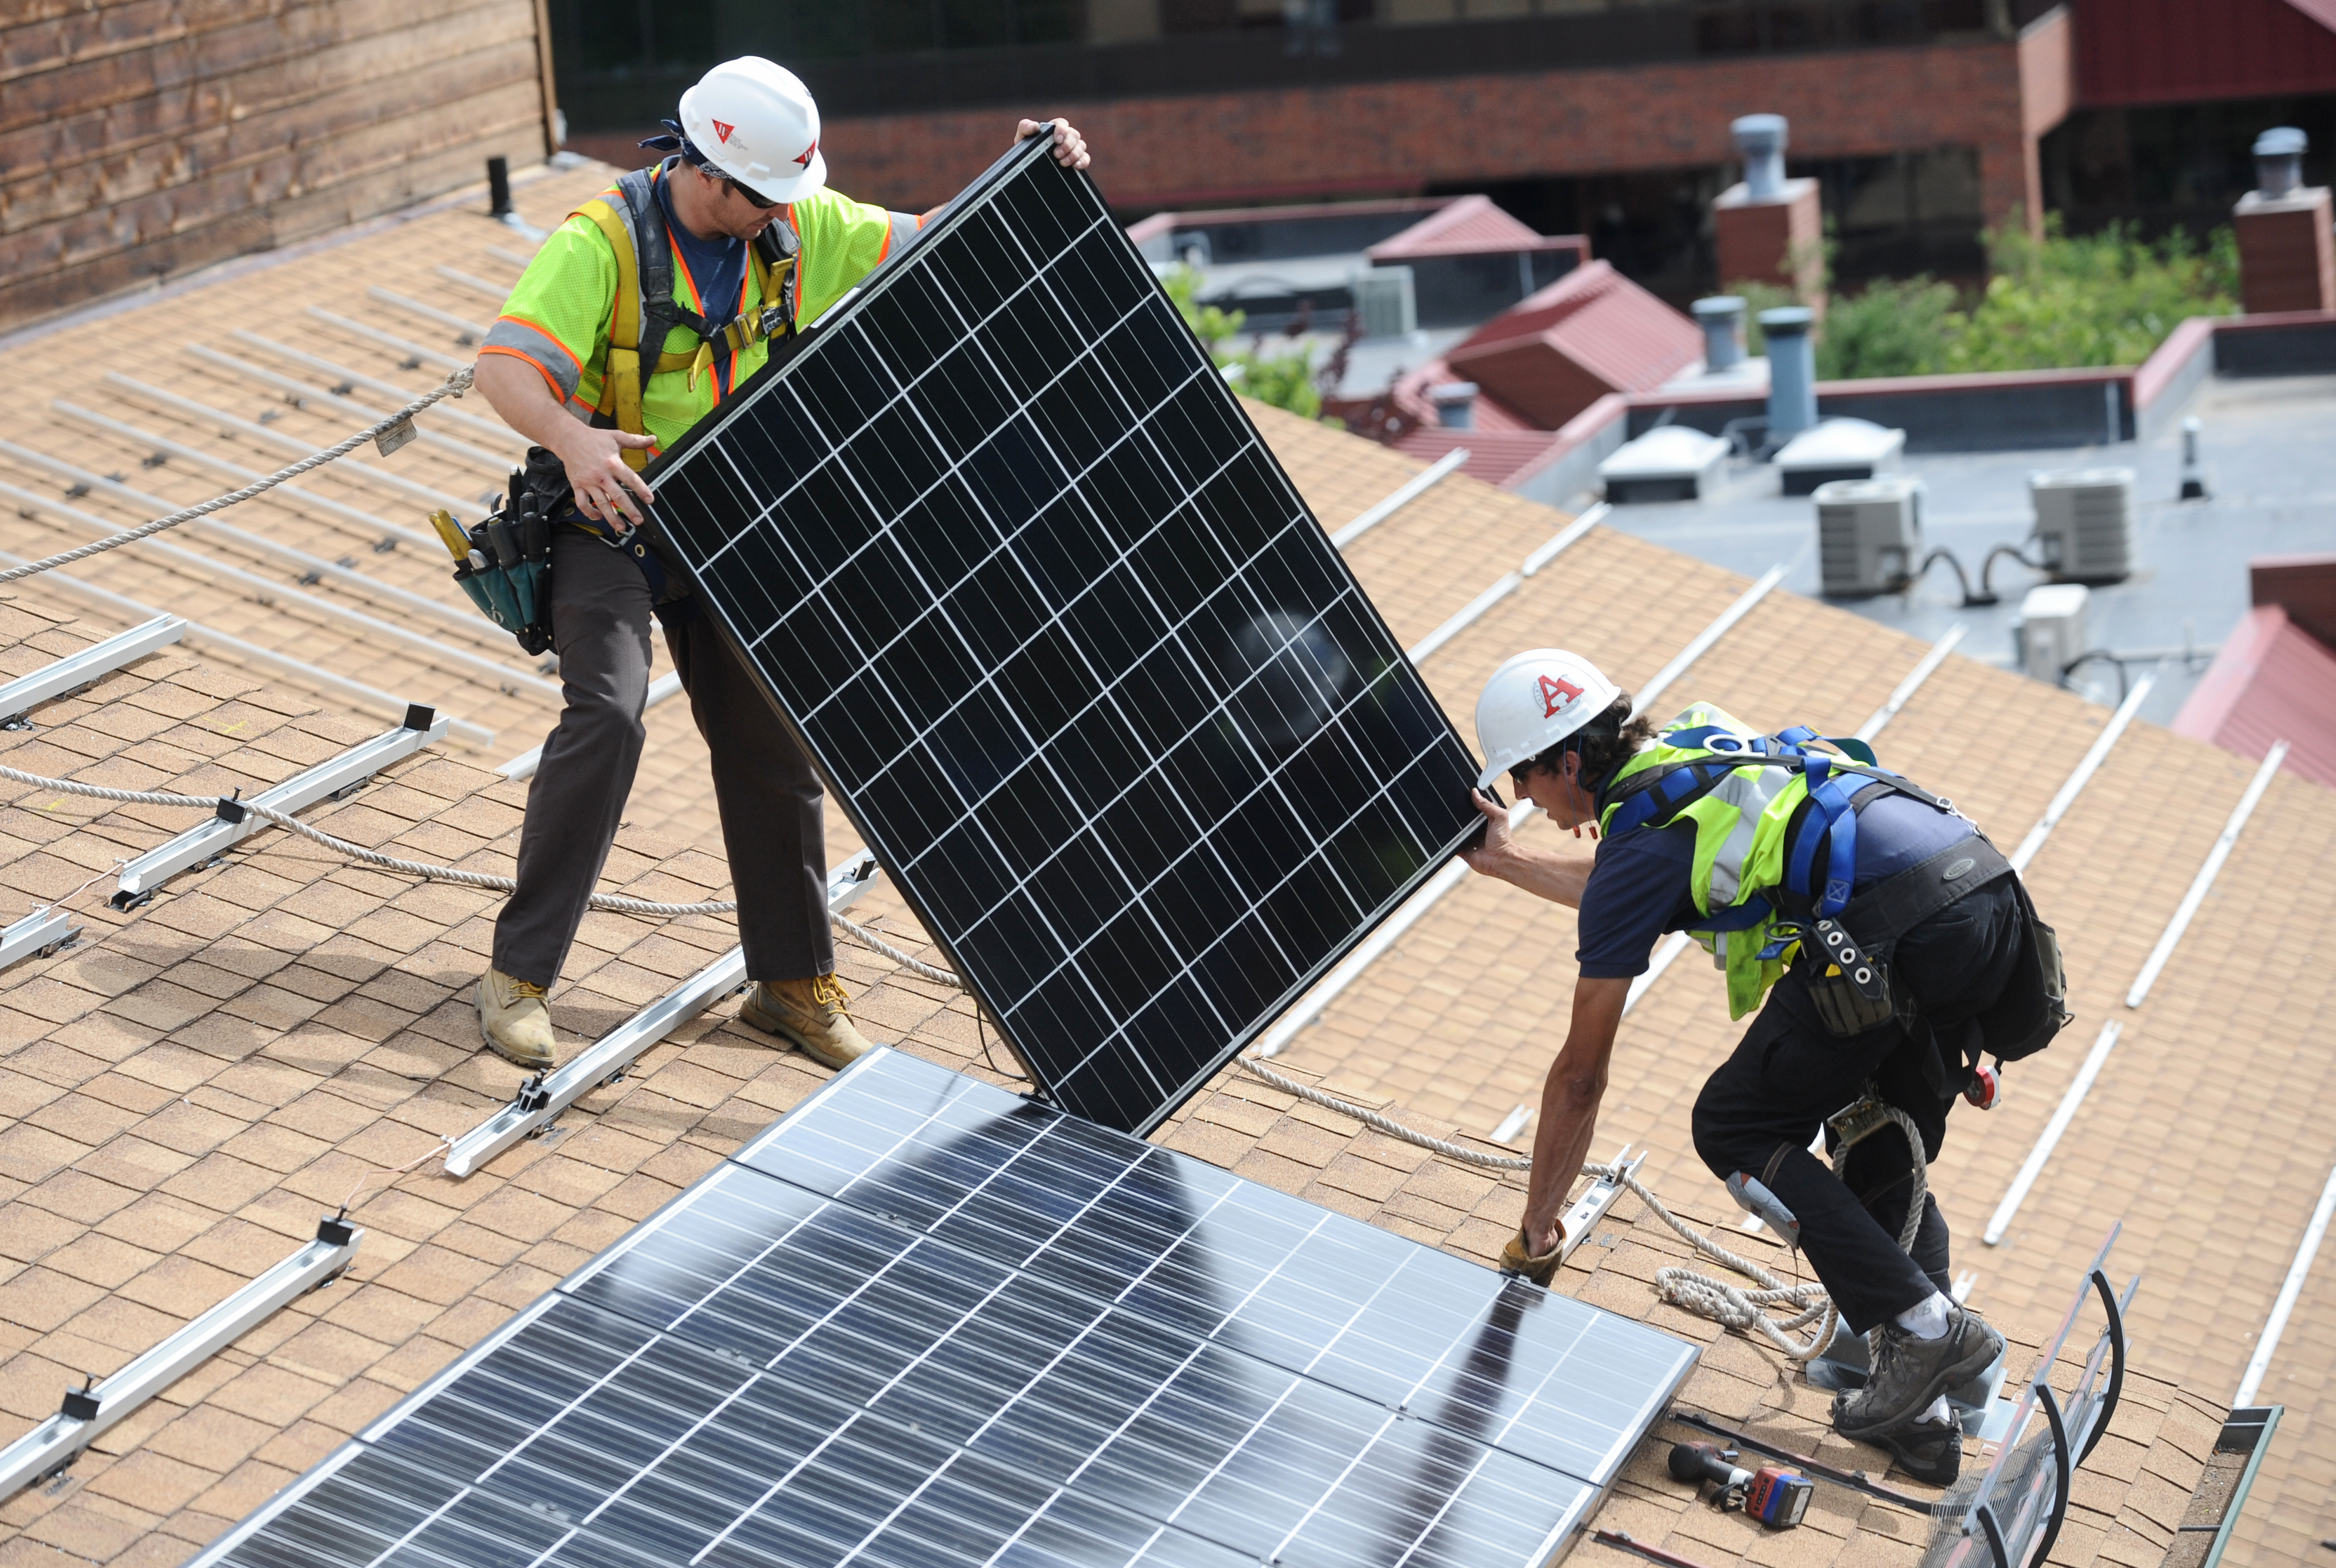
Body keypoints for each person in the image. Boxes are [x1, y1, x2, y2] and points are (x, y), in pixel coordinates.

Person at [470, 55, 1089, 1073]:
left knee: (772, 739)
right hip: (609, 515)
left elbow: (931, 234)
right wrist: (575, 442)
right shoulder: (602, 243)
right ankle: (518, 978)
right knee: (610, 713)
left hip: (730, 519)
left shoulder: (796, 225)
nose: (778, 214)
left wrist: (1023, 164)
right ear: (706, 170)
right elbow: (504, 367)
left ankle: (791, 986)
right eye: (761, 197)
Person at [1458, 649, 2066, 1484]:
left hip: (1896, 930)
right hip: (1982, 896)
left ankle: (1931, 1330)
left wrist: (1539, 1227)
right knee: (1872, 1136)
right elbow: (1626, 880)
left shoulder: (1641, 845)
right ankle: (1921, 1419)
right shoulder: (1690, 750)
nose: (1524, 802)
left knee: (1735, 1124)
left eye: (1523, 780)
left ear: (1567, 762)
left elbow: (1580, 1078)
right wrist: (1505, 862)